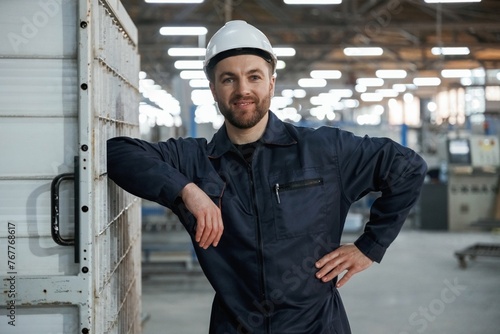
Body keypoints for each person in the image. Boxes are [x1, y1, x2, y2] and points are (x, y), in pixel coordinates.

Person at [107, 20, 427, 334]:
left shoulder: (323, 151)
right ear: (214, 89)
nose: (243, 89)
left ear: (271, 83)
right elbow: (117, 152)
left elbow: (407, 168)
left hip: (316, 325)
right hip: (235, 324)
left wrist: (370, 246)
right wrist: (188, 190)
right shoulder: (194, 160)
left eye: (254, 77)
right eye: (229, 79)